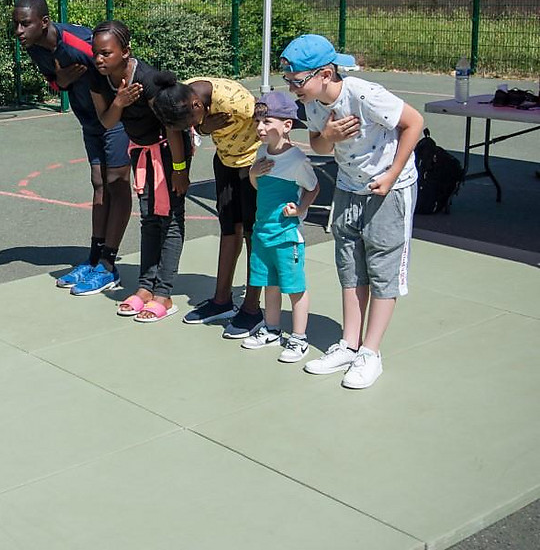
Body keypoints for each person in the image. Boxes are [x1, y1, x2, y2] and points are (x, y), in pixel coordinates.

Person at [281, 34, 423, 389]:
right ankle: (350, 342)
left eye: (297, 80)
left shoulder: (363, 94)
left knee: (382, 267)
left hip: (389, 191)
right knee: (350, 266)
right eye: (289, 80)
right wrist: (328, 134)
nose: (292, 87)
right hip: (348, 188)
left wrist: (390, 176)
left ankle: (370, 353)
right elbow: (318, 143)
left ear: (325, 73)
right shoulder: (313, 103)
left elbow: (414, 123)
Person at [12, 0, 131, 296]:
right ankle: (94, 259)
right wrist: (61, 81)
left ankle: (108, 265)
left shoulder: (80, 43)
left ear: (44, 22)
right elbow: (55, 80)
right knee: (98, 182)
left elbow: (125, 66)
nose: (18, 30)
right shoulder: (33, 47)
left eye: (25, 24)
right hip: (90, 122)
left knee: (117, 182)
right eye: (16, 24)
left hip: (115, 120)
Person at [90, 20, 190, 323]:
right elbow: (107, 122)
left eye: (106, 53)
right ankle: (146, 288)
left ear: (126, 52)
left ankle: (164, 294)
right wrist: (119, 102)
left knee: (170, 219)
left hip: (170, 149)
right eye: (96, 53)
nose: (99, 59)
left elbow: (173, 127)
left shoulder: (146, 80)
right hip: (142, 151)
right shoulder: (100, 79)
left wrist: (179, 169)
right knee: (149, 219)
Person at [151, 76, 265, 336]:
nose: (190, 128)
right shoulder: (181, 95)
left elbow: (269, 119)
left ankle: (252, 308)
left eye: (191, 123)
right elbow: (186, 127)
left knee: (252, 234)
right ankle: (222, 300)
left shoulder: (233, 100)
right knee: (228, 230)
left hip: (253, 164)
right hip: (226, 161)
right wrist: (202, 129)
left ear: (196, 106)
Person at [241, 91, 319, 363]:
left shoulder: (297, 160)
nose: (260, 128)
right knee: (269, 285)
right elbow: (257, 186)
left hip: (286, 236)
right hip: (263, 232)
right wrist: (252, 173)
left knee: (294, 288)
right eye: (258, 122)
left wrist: (301, 209)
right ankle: (271, 328)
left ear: (287, 125)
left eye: (266, 122)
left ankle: (299, 338)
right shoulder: (261, 152)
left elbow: (313, 187)